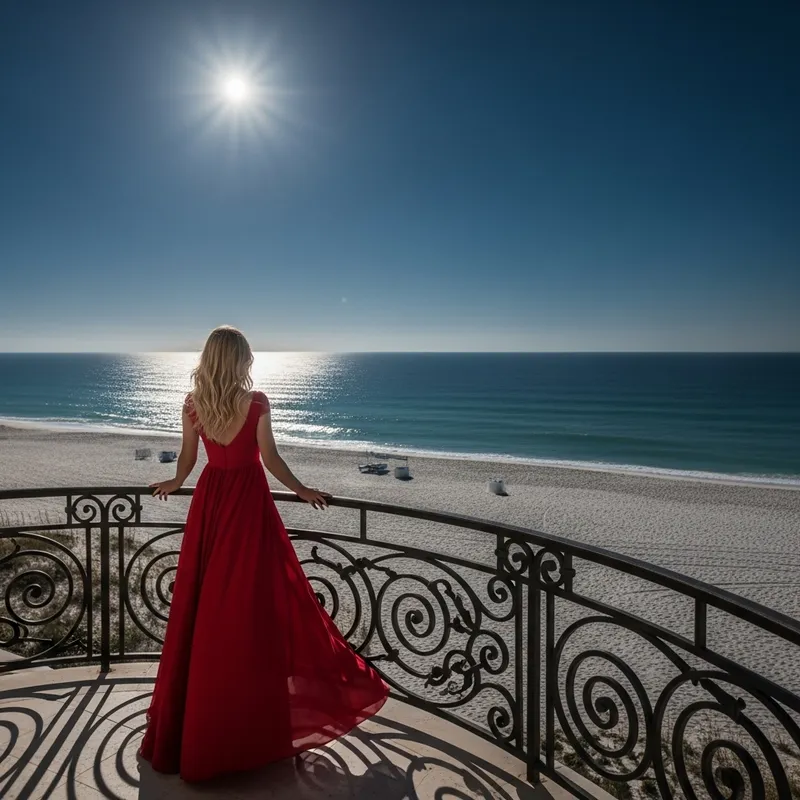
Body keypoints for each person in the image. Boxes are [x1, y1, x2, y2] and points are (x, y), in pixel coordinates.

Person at [139, 325, 389, 782]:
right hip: (249, 505)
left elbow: (188, 459)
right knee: (253, 605)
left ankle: (197, 720)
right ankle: (252, 711)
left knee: (204, 605)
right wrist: (302, 490)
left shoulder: (193, 404)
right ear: (241, 360)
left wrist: (175, 484)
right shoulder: (255, 402)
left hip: (210, 504)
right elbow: (269, 458)